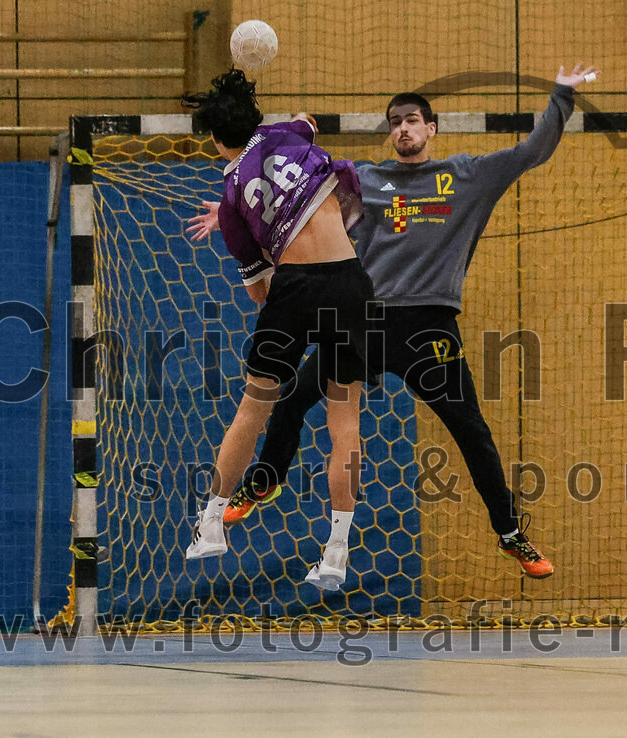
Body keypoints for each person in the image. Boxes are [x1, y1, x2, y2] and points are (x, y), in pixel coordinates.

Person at [188, 63, 600, 580]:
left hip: (430, 329)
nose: (402, 128)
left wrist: (561, 96)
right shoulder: (361, 178)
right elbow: (281, 202)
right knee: (291, 399)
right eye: (394, 122)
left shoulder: (467, 176)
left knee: (471, 431)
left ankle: (510, 532)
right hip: (367, 319)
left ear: (432, 128)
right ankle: (263, 480)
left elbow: (530, 152)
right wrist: (230, 213)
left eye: (412, 120)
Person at [181, 69, 375, 592]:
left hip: (294, 288)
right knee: (345, 421)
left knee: (254, 406)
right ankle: (336, 554)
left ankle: (213, 523)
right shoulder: (287, 134)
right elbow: (308, 121)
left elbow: (260, 291)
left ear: (219, 141)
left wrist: (238, 222)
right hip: (351, 283)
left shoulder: (229, 197)